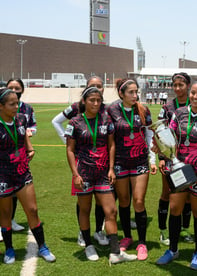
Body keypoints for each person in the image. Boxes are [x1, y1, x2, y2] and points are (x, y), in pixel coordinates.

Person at [156, 78, 197, 270]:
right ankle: (173, 250)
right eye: (193, 93)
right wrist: (160, 149)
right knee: (175, 209)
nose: (194, 96)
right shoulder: (179, 113)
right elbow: (171, 138)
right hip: (179, 169)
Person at [65, 86, 137, 263]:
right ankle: (89, 245)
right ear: (84, 102)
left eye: (98, 100)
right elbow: (69, 150)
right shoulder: (74, 123)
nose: (96, 103)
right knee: (85, 209)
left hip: (103, 173)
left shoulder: (106, 120)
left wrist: (111, 168)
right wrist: (75, 174)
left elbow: (111, 145)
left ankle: (115, 253)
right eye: (92, 100)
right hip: (84, 173)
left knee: (111, 211)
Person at [0, 87, 56, 264]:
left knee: (32, 210)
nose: (17, 107)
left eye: (17, 103)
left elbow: (25, 139)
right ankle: (9, 249)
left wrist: (30, 150)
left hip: (22, 171)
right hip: (2, 175)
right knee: (5, 214)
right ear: (1, 106)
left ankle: (43, 247)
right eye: (12, 104)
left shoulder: (21, 119)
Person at [51, 76, 108, 247]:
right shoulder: (76, 107)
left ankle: (99, 230)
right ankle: (83, 233)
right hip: (83, 160)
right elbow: (56, 121)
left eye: (100, 86)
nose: (97, 88)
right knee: (83, 198)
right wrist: (68, 142)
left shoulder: (107, 109)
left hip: (102, 161)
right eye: (93, 86)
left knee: (101, 198)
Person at [107, 79, 157, 260]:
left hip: (139, 161)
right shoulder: (111, 110)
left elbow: (150, 134)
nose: (135, 96)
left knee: (138, 201)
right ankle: (127, 236)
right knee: (124, 201)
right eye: (131, 92)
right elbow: (108, 137)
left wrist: (152, 159)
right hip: (120, 162)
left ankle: (142, 242)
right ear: (121, 94)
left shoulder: (143, 109)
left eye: (137, 92)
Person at [157, 72, 194, 246]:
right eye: (175, 85)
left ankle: (185, 229)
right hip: (170, 158)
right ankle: (163, 231)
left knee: (187, 196)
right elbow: (159, 134)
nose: (178, 88)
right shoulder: (167, 108)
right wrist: (162, 158)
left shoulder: (195, 105)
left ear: (188, 85)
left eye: (181, 85)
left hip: (189, 157)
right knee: (168, 193)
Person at [6, 78, 37, 233]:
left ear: (22, 90)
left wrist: (29, 132)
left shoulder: (27, 109)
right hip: (4, 155)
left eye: (17, 88)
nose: (15, 90)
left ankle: (11, 219)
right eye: (11, 87)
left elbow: (33, 126)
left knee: (18, 188)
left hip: (20, 154)